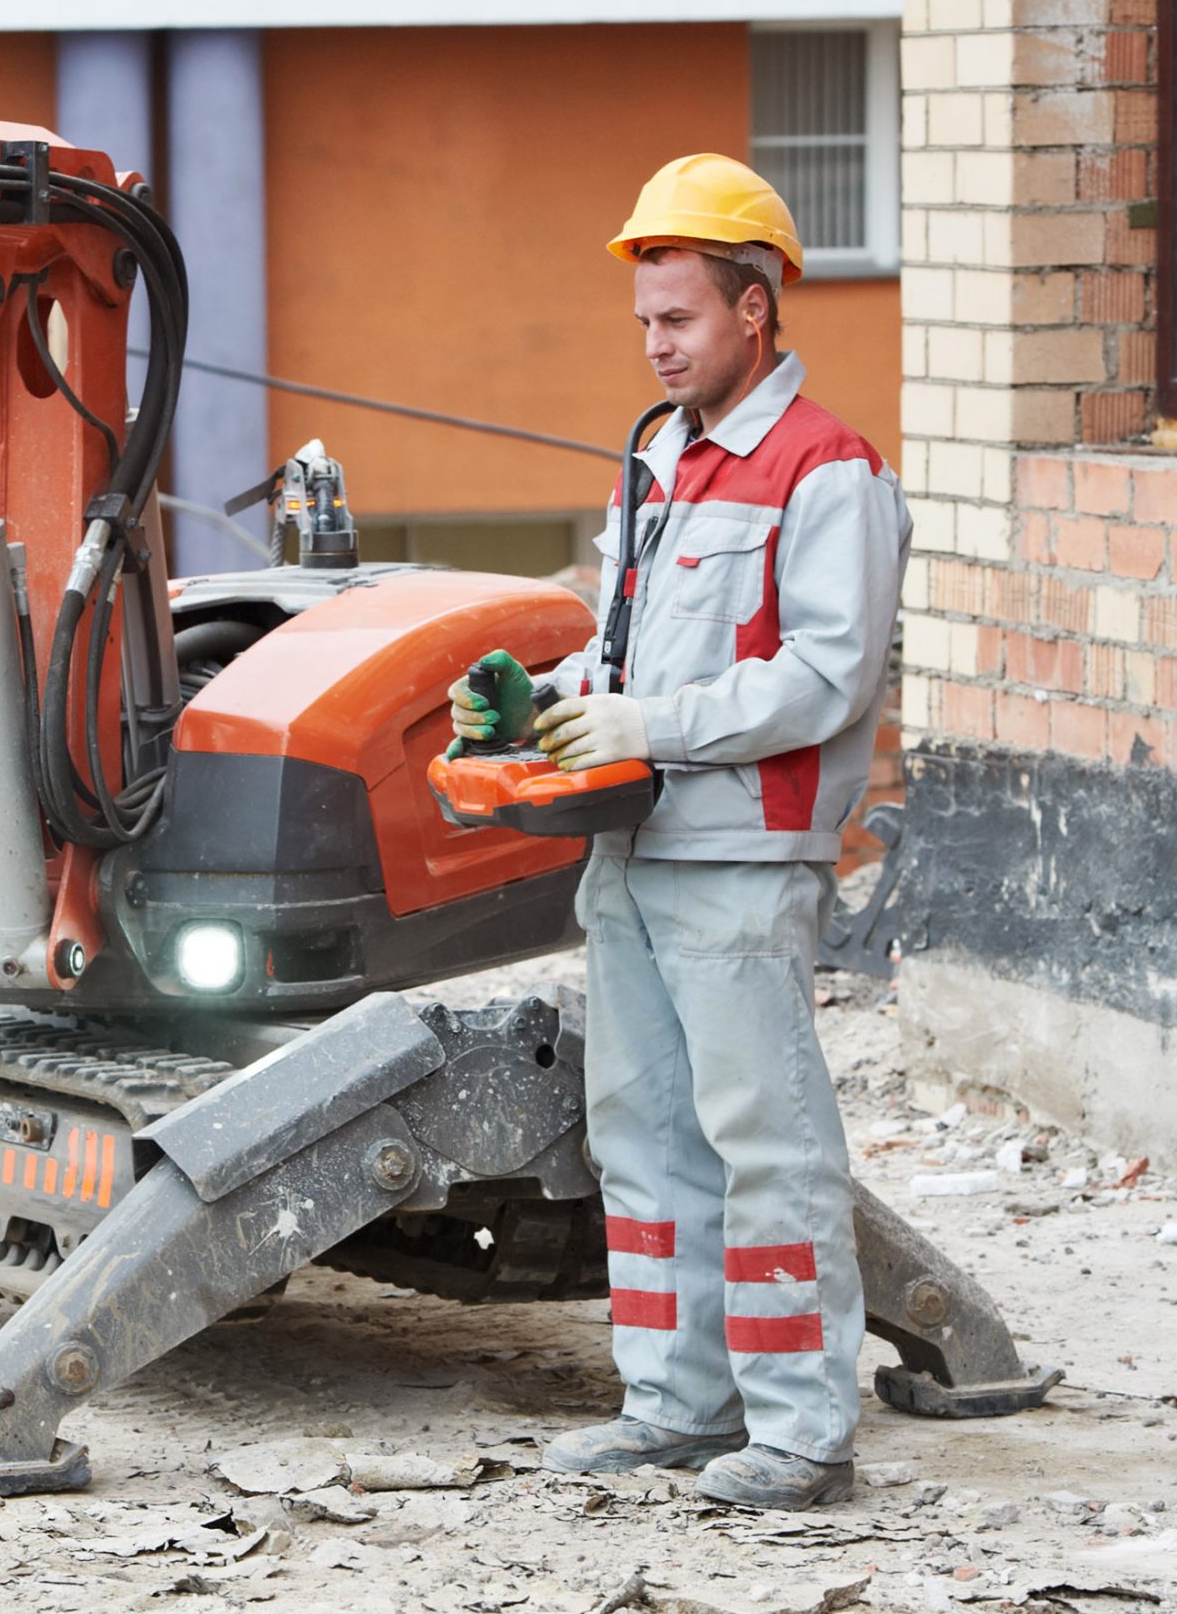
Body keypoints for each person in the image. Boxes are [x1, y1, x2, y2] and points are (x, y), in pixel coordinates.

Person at [449, 154, 911, 1510]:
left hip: (740, 857)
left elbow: (829, 677)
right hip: (630, 855)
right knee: (643, 1135)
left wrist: (647, 725)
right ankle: (677, 1403)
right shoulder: (653, 459)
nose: (655, 343)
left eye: (681, 318)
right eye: (646, 319)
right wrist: (548, 702)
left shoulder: (828, 470)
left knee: (765, 1139)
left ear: (754, 310)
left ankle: (802, 1434)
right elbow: (621, 642)